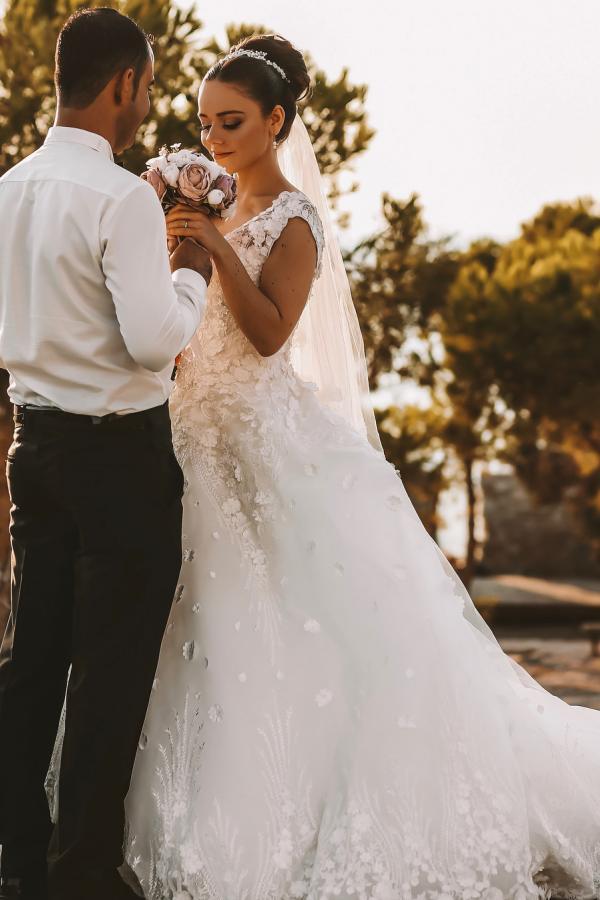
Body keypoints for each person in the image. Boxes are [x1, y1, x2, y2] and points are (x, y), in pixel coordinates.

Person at [122, 34, 600, 900]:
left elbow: (270, 335)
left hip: (262, 442)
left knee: (284, 619)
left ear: (276, 122)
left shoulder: (295, 219)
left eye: (232, 122)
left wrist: (217, 247)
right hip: (190, 436)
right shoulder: (200, 204)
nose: (213, 138)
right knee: (204, 620)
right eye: (204, 122)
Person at [0, 8, 212, 900]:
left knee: (32, 660)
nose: (148, 104)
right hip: (118, 458)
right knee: (109, 670)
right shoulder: (121, 197)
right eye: (149, 87)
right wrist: (192, 271)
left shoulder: (8, 189)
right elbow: (153, 340)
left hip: (33, 445)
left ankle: (19, 855)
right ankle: (80, 870)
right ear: (125, 83)